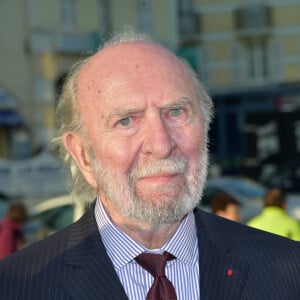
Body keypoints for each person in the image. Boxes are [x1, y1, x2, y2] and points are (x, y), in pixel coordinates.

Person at [0, 29, 299, 300]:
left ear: (206, 124)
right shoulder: (18, 287)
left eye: (177, 112)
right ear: (82, 155)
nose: (161, 144)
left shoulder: (288, 272)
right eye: (126, 120)